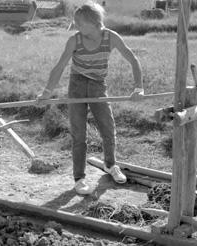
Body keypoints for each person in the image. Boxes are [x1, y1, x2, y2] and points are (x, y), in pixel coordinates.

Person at [37, 2, 144, 195]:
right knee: (79, 134)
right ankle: (79, 178)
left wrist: (139, 88)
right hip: (77, 86)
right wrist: (46, 92)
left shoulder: (111, 37)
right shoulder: (74, 41)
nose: (76, 26)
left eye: (80, 23)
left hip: (97, 86)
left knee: (108, 128)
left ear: (94, 22)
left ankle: (110, 165)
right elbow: (60, 66)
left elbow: (133, 59)